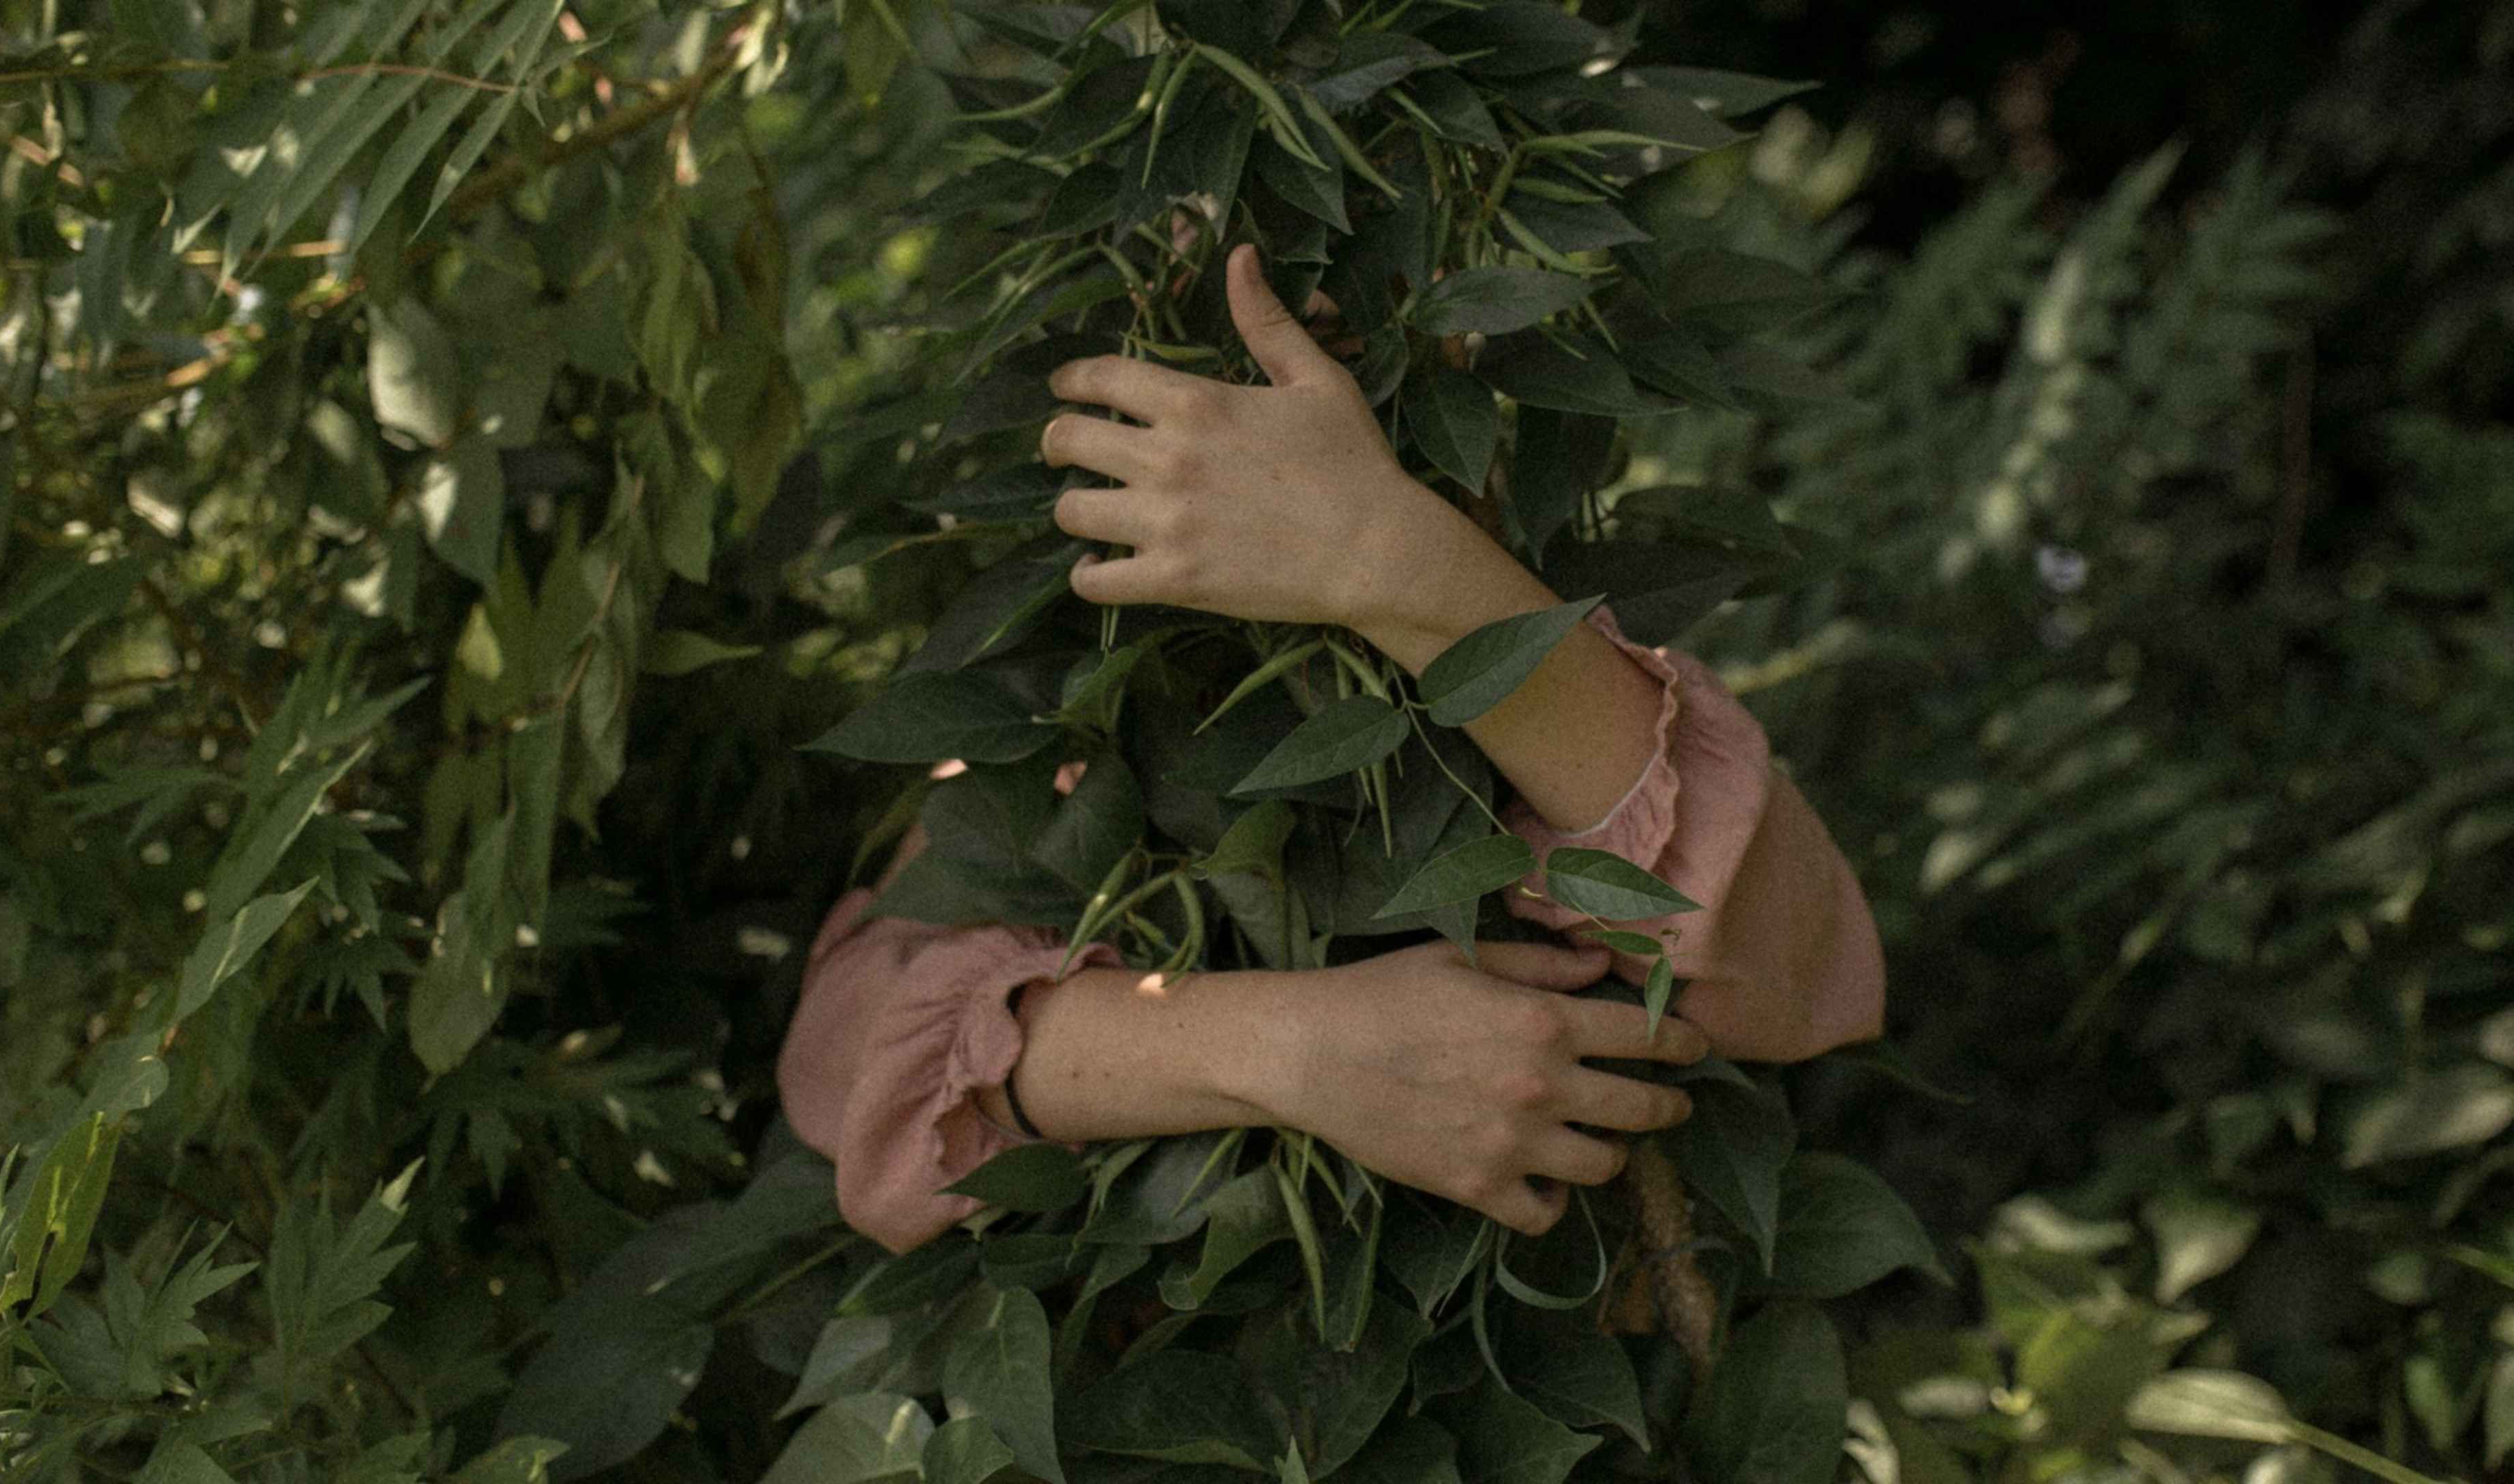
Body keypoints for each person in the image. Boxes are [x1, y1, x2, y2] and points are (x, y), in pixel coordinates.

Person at [777, 244, 1884, 1257]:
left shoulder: (1521, 569)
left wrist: (1389, 558)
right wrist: (1291, 1050)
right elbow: (845, 1040)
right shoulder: (1098, 691)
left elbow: (1786, 966)